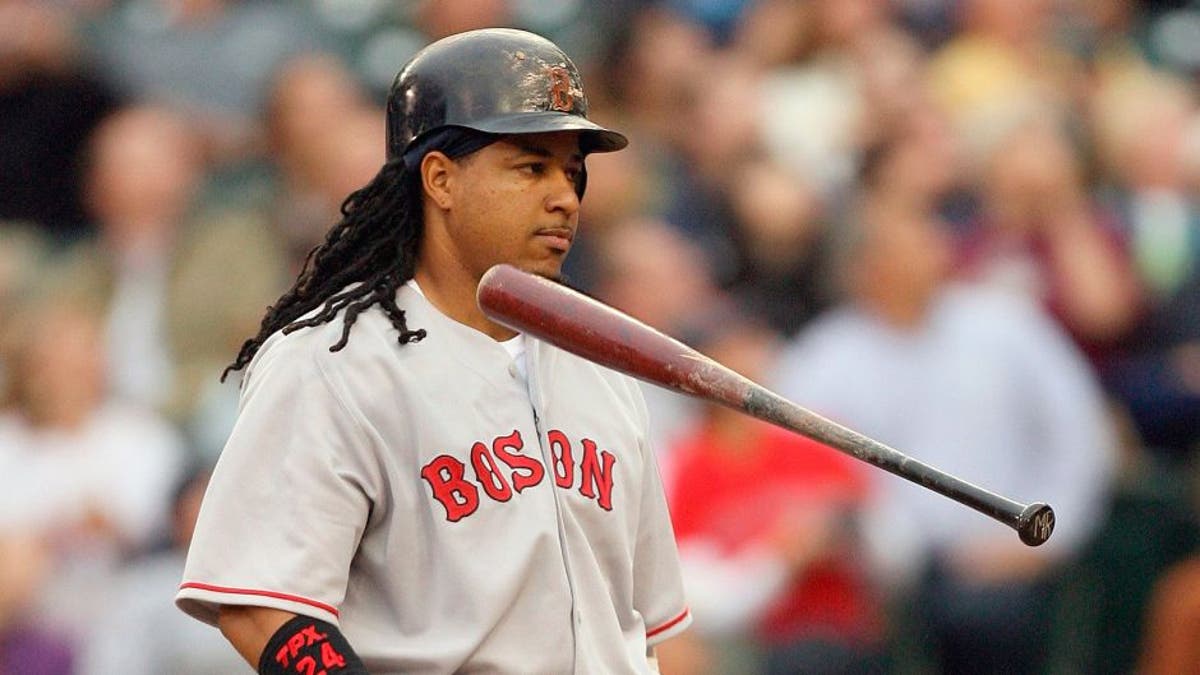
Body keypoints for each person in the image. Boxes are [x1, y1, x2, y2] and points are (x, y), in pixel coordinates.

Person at [176, 28, 692, 674]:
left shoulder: (602, 364)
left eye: (573, 171)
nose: (564, 196)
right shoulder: (332, 362)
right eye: (532, 166)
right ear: (440, 179)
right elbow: (262, 604)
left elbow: (649, 625)